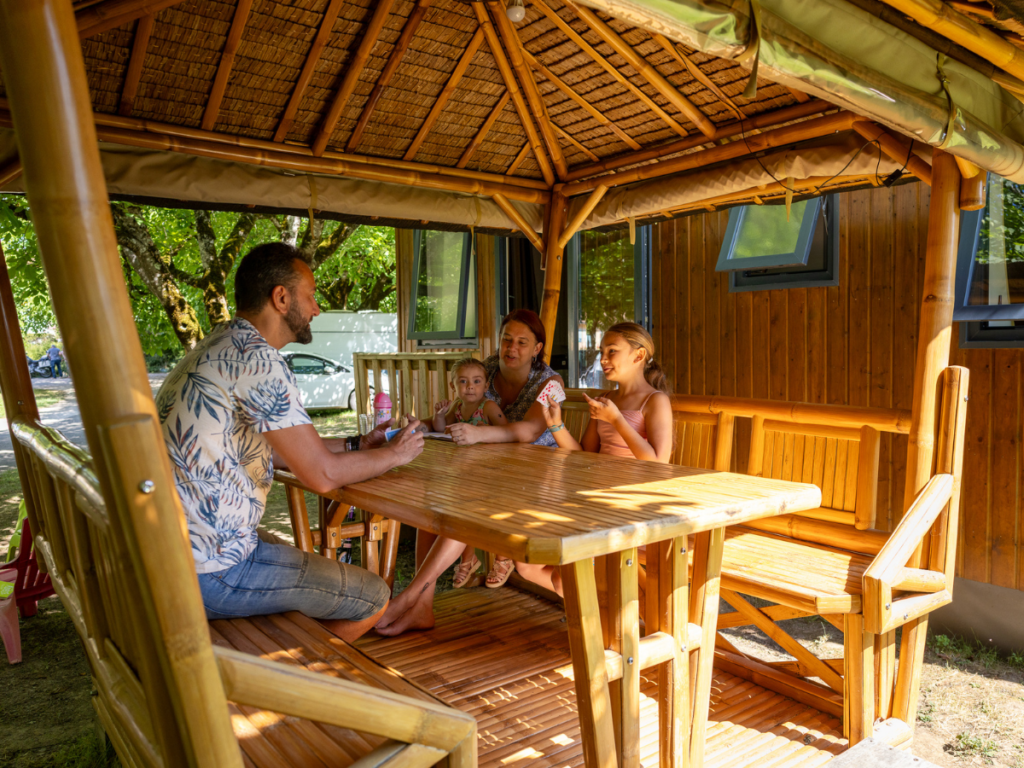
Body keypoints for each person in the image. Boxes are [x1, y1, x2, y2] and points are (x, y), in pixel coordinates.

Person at [156, 242, 424, 642]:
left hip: (173, 552)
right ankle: (300, 684)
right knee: (373, 594)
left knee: (294, 555)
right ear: (281, 298)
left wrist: (358, 445)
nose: (316, 308)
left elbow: (285, 450)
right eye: (311, 296)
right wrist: (395, 454)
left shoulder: (219, 347)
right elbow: (321, 475)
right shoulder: (259, 361)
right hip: (211, 571)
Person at [375, 309, 562, 636]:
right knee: (434, 496)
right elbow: (458, 409)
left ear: (537, 348)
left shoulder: (549, 381)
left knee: (463, 502)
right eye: (506, 339)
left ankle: (411, 597)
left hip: (537, 476)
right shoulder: (485, 369)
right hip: (488, 468)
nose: (511, 348)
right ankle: (422, 603)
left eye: (522, 342)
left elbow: (531, 430)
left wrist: (479, 435)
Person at [515, 321, 673, 596]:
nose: (602, 359)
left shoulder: (655, 401)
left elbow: (658, 464)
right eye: (601, 351)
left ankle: (608, 623)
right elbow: (585, 455)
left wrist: (617, 420)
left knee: (567, 577)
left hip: (634, 503)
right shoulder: (605, 399)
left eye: (612, 351)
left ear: (638, 356)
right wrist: (556, 425)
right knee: (526, 564)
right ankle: (604, 613)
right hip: (597, 497)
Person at [431, 357, 508, 587]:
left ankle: (500, 557)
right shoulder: (456, 407)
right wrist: (439, 415)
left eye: (476, 381)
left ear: (486, 386)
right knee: (460, 510)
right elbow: (440, 429)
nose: (470, 386)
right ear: (454, 386)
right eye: (463, 382)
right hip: (464, 471)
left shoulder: (488, 407)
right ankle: (469, 557)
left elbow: (507, 431)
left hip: (490, 472)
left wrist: (485, 432)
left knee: (478, 511)